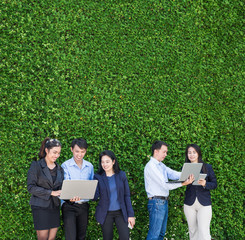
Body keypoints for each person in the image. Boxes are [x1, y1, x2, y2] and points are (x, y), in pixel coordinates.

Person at [144, 140, 194, 240]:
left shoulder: (161, 165)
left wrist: (190, 173)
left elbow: (173, 174)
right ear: (156, 151)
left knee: (161, 234)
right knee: (154, 235)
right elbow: (165, 185)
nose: (166, 154)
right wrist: (183, 183)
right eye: (164, 152)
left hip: (162, 202)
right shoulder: (151, 166)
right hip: (156, 203)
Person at [27, 138, 64, 240]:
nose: (56, 155)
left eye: (59, 153)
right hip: (40, 207)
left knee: (51, 238)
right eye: (54, 152)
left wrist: (71, 196)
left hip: (55, 207)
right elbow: (31, 187)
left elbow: (61, 189)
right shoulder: (36, 166)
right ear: (47, 150)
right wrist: (51, 192)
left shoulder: (60, 169)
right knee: (43, 238)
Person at [94, 150, 135, 240]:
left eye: (107, 161)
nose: (105, 164)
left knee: (125, 237)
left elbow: (126, 195)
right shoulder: (98, 177)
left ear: (113, 161)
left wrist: (131, 215)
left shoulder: (121, 175)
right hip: (106, 213)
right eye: (102, 162)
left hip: (120, 212)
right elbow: (95, 196)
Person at [61, 138, 94, 240]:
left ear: (86, 151)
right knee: (70, 237)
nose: (79, 154)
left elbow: (91, 185)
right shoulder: (65, 165)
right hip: (69, 206)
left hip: (83, 206)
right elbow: (65, 185)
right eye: (77, 151)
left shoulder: (89, 166)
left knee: (81, 236)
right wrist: (69, 197)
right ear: (71, 149)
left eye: (82, 152)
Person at [184, 144, 217, 240]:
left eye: (194, 152)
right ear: (187, 155)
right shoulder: (185, 168)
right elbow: (183, 183)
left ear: (198, 153)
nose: (192, 155)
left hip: (204, 203)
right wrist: (185, 182)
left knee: (204, 231)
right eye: (189, 153)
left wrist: (205, 184)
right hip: (189, 203)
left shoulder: (207, 167)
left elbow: (214, 184)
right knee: (193, 231)